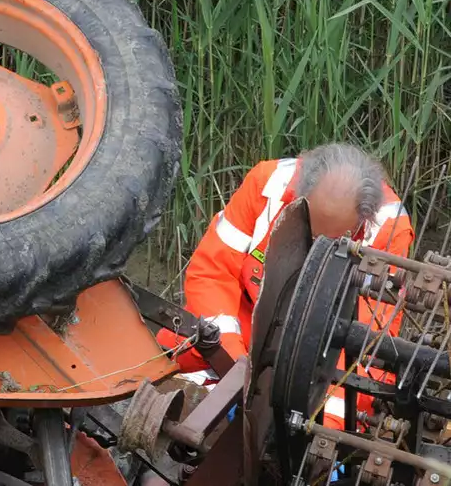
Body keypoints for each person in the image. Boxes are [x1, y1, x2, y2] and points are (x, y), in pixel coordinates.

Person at [159, 142, 414, 429]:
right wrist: (233, 363)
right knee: (176, 357)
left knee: (356, 394)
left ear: (363, 221)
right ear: (297, 197)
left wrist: (322, 429)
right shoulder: (267, 184)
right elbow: (213, 274)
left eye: (332, 242)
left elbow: (366, 340)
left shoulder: (390, 230)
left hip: (326, 351)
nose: (316, 249)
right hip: (247, 327)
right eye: (312, 235)